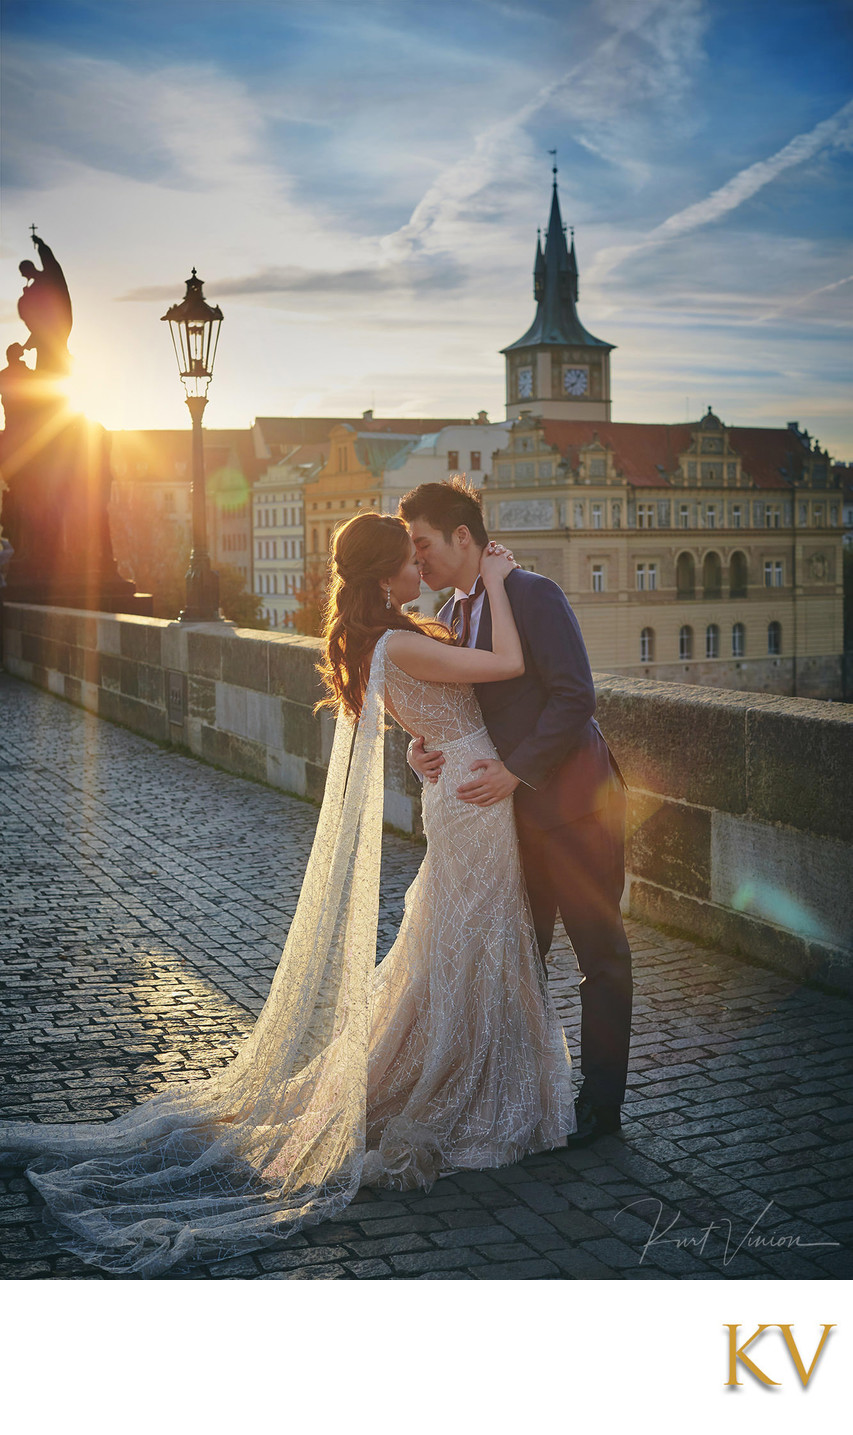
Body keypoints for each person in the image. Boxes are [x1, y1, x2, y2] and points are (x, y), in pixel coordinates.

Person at [0, 511, 574, 1277]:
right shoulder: (399, 640)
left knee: (456, 938)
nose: (419, 569)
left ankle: (457, 1064)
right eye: (408, 561)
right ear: (382, 577)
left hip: (456, 787)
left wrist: (415, 739)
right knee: (471, 937)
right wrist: (499, 580)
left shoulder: (381, 641)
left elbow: (412, 708)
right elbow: (504, 662)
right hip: (474, 794)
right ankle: (463, 1086)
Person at [399, 478, 632, 1147]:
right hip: (511, 823)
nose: (418, 563)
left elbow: (573, 696)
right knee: (520, 959)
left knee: (602, 958)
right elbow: (464, 710)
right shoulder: (456, 609)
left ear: (462, 537)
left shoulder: (532, 593)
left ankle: (600, 1111)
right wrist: (424, 749)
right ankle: (525, 1096)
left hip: (578, 808)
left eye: (423, 546)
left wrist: (513, 769)